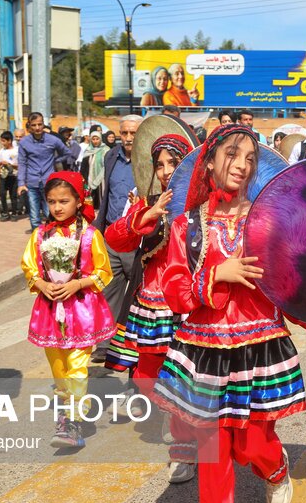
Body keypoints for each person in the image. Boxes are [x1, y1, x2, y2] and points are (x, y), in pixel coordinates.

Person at [153, 123, 306, 503]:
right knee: (213, 443)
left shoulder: (270, 222)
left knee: (251, 443)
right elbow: (173, 290)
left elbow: (292, 286)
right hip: (202, 348)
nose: (242, 165)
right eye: (232, 154)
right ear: (208, 162)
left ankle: (275, 467)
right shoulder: (186, 226)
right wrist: (214, 276)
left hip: (258, 345)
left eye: (250, 158)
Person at [104, 134, 195, 482]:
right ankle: (181, 422)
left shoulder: (202, 205)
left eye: (173, 163)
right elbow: (115, 239)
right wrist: (147, 214)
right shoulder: (147, 202)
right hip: (150, 303)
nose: (166, 171)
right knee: (145, 377)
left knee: (183, 380)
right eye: (160, 164)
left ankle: (184, 450)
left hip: (187, 304)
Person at [21, 171, 114, 448]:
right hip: (51, 310)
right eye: (51, 202)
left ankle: (72, 421)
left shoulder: (89, 235)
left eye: (64, 201)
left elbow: (103, 273)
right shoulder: (40, 235)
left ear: (78, 200)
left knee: (76, 365)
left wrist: (77, 284)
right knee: (58, 366)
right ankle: (67, 410)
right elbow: (29, 268)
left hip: (81, 309)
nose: (57, 207)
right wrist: (41, 284)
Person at [93, 116, 140, 350]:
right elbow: (106, 194)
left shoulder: (149, 159)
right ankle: (105, 344)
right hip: (111, 235)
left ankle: (135, 344)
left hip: (138, 238)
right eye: (124, 133)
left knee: (138, 294)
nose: (128, 138)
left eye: (133, 133)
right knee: (109, 289)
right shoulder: (111, 156)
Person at [17, 112, 69, 232]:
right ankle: (37, 242)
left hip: (49, 182)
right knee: (34, 216)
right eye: (34, 125)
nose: (37, 128)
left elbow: (67, 153)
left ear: (43, 124)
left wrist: (56, 161)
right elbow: (22, 163)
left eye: (40, 124)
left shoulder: (52, 140)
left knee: (51, 213)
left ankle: (54, 239)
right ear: (29, 126)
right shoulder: (24, 143)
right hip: (32, 183)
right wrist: (21, 183)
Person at [78, 130, 109, 210]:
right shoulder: (88, 151)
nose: (95, 141)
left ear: (101, 139)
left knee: (101, 199)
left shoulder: (106, 150)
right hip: (89, 180)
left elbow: (108, 165)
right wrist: (83, 178)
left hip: (102, 180)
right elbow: (83, 167)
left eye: (97, 139)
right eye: (93, 139)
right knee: (89, 200)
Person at [0, 130, 19, 220]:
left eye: (4, 141)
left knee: (13, 195)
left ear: (9, 141)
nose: (2, 143)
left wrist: (10, 164)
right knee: (2, 194)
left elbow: (20, 164)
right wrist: (1, 163)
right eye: (1, 141)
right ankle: (5, 212)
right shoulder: (2, 151)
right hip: (4, 175)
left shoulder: (17, 150)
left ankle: (14, 212)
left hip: (14, 175)